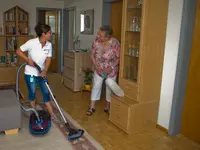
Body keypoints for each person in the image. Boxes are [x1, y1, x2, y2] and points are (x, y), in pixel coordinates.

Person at [16, 23, 59, 122]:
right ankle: (33, 111)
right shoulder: (31, 42)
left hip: (41, 73)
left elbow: (48, 59)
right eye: (49, 33)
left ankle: (52, 114)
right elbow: (18, 51)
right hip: (30, 73)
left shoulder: (49, 44)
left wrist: (45, 70)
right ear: (43, 34)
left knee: (46, 92)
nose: (51, 34)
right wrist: (27, 59)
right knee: (33, 92)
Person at [87, 25, 120, 116]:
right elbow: (92, 54)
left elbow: (118, 58)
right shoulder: (96, 42)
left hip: (111, 70)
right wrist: (96, 66)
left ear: (107, 37)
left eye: (100, 35)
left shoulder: (115, 43)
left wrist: (111, 68)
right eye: (98, 34)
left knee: (109, 88)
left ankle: (107, 106)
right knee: (96, 86)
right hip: (98, 69)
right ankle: (92, 107)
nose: (98, 36)